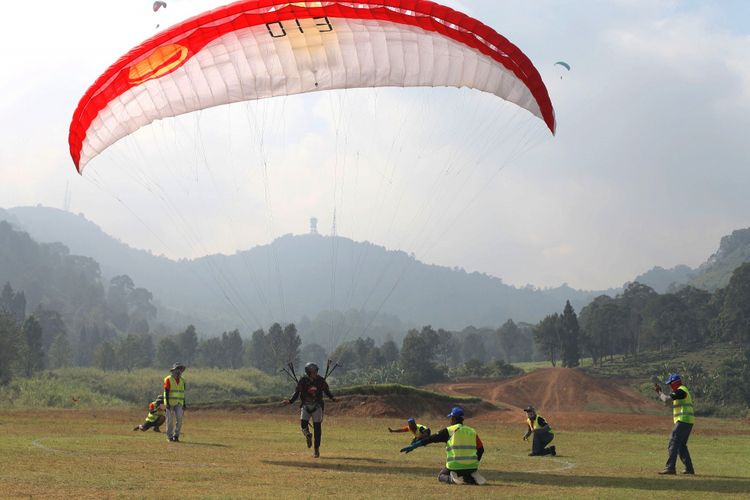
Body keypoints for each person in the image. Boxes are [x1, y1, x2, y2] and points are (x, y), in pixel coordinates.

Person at [400, 406, 486, 485]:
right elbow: (481, 450)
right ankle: (471, 476)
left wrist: (413, 446)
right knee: (466, 472)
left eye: (450, 418)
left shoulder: (449, 430)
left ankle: (451, 479)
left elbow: (430, 439)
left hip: (455, 466)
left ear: (453, 419)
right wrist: (475, 463)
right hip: (472, 466)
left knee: (441, 476)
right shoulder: (472, 431)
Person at [283, 362, 336, 458]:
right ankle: (308, 435)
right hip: (306, 406)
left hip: (317, 406)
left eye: (316, 371)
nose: (315, 373)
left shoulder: (320, 380)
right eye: (313, 371)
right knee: (303, 426)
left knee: (317, 429)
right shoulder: (303, 381)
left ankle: (316, 449)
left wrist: (333, 398)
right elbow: (297, 392)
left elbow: (326, 391)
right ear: (308, 372)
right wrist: (290, 401)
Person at [655, 373, 695, 475]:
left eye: (670, 384)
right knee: (681, 445)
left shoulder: (681, 390)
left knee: (673, 442)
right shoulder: (682, 391)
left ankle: (670, 468)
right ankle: (689, 469)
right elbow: (668, 402)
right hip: (688, 421)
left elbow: (667, 400)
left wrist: (659, 392)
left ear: (675, 383)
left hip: (683, 420)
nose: (670, 386)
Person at [163, 362, 186, 442]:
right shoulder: (168, 379)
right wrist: (167, 404)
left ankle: (176, 436)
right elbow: (166, 391)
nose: (179, 371)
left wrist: (184, 404)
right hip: (170, 403)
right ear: (173, 370)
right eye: (177, 369)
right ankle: (169, 437)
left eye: (180, 369)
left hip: (179, 402)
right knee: (169, 420)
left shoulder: (183, 380)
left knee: (179, 419)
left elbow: (183, 392)